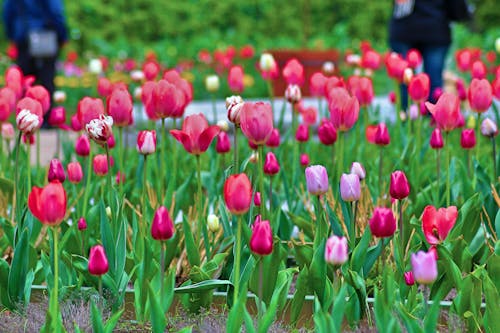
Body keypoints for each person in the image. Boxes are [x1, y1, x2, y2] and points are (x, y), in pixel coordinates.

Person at [389, 0, 471, 109]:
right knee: (434, 81)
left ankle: (406, 117)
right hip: (435, 28)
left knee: (404, 79)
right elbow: (457, 8)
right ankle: (433, 119)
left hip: (404, 29)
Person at [3, 0, 68, 122]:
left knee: (25, 82)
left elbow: (7, 14)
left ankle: (26, 119)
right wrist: (62, 35)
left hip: (23, 36)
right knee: (46, 79)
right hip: (45, 36)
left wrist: (12, 36)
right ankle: (46, 120)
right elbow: (56, 12)